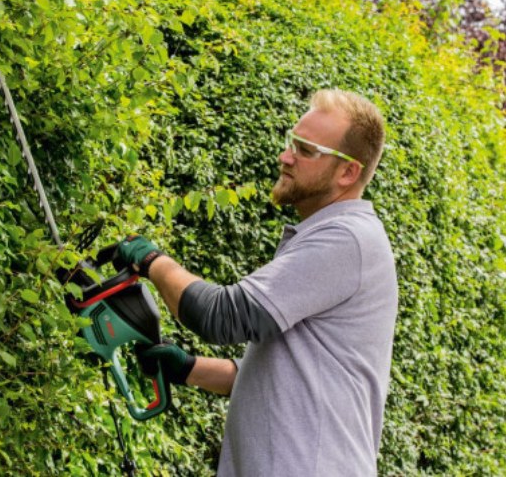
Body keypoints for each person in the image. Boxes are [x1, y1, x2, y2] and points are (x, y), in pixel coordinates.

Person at [115, 89, 399, 476]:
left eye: (306, 149)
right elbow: (279, 377)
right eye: (290, 143)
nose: (285, 157)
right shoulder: (333, 236)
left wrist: (150, 260)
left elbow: (220, 315)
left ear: (348, 172)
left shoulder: (347, 239)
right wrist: (185, 367)